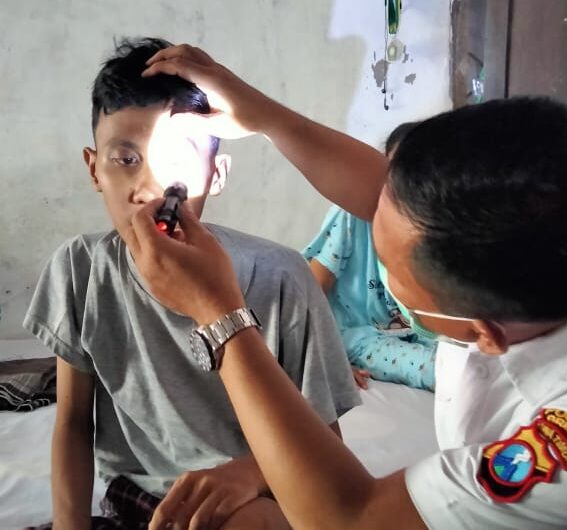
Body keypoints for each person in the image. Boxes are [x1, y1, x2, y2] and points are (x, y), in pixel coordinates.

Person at [121, 44, 567, 530]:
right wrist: (262, 114)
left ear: (483, 331)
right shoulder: (546, 231)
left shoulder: (562, 444)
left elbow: (350, 519)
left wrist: (219, 315)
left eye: (390, 268)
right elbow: (384, 193)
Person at [23, 38, 360, 530]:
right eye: (125, 159)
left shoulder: (282, 277)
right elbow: (74, 422)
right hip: (141, 496)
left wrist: (250, 472)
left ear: (216, 174)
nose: (148, 187)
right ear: (94, 169)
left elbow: (327, 446)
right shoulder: (80, 269)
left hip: (263, 489)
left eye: (176, 160)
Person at [304, 122, 437, 390]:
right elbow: (310, 288)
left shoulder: (433, 222)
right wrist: (325, 358)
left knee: (471, 359)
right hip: (359, 332)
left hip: (416, 330)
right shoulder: (352, 215)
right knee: (437, 370)